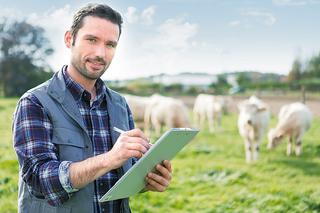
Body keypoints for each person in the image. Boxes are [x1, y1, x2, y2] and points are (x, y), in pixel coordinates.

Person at [12, 3, 172, 213]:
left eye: (110, 44)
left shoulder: (120, 105)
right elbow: (40, 179)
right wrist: (109, 159)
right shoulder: (35, 102)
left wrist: (147, 179)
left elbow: (121, 176)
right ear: (69, 39)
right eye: (91, 40)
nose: (100, 53)